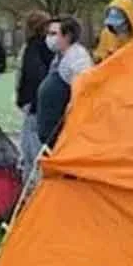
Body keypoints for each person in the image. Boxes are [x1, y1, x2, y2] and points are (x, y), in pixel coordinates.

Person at [37, 17, 93, 149]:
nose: (49, 38)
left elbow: (83, 91)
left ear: (67, 36)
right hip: (51, 132)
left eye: (53, 34)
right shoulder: (59, 56)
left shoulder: (78, 59)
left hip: (63, 134)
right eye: (48, 34)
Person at [16, 10, 53, 183]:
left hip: (33, 106)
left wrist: (26, 100)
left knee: (31, 149)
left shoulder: (34, 48)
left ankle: (32, 187)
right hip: (41, 105)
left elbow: (31, 76)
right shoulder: (49, 49)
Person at [93, 0, 133, 64]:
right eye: (113, 23)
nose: (116, 27)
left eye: (120, 24)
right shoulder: (106, 33)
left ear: (129, 20)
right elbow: (100, 55)